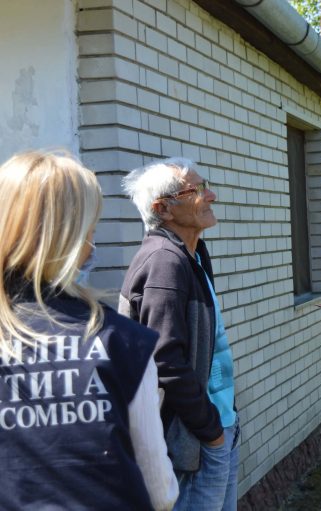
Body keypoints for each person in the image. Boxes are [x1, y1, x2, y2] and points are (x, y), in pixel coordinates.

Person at [0, 150, 178, 510]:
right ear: (68, 239)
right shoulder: (124, 342)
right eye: (90, 229)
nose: (91, 245)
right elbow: (161, 492)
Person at [120, 158, 239, 511]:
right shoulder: (164, 262)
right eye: (198, 190)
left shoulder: (191, 254)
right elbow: (165, 359)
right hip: (192, 439)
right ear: (163, 209)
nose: (211, 195)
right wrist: (212, 432)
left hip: (215, 427)